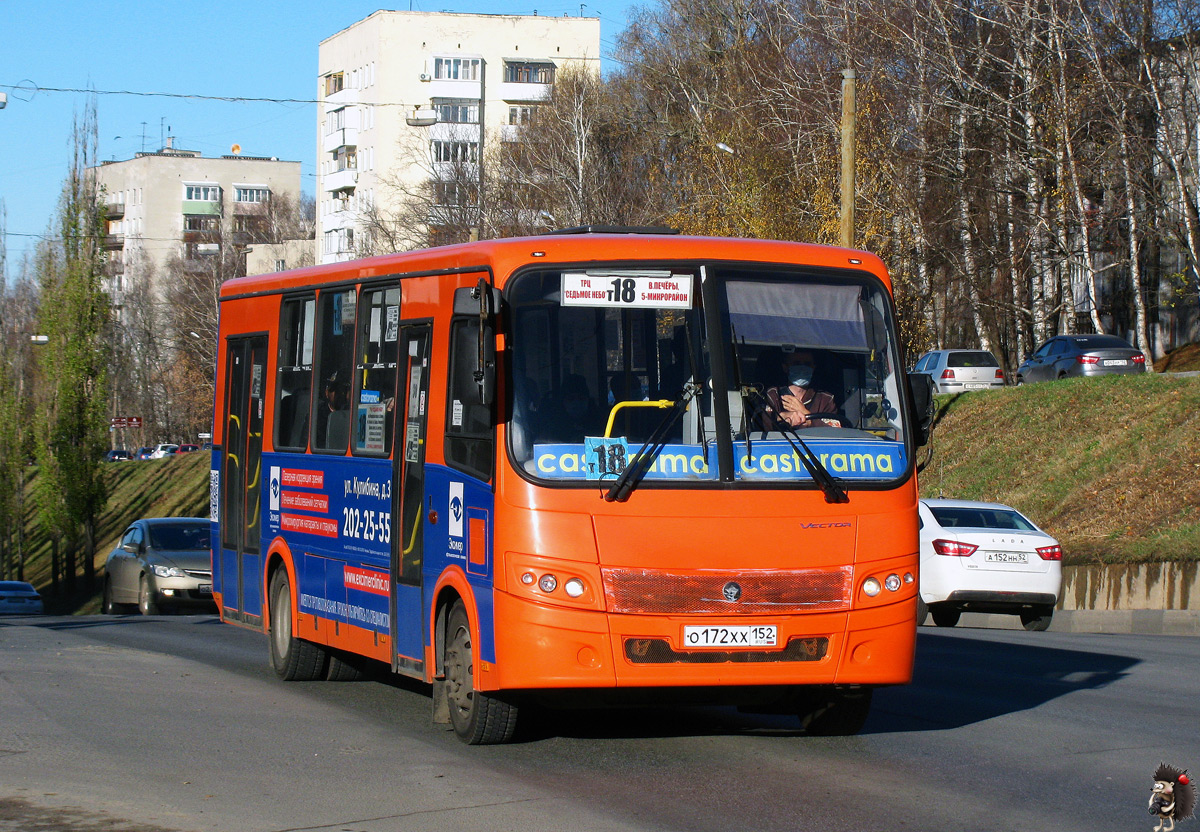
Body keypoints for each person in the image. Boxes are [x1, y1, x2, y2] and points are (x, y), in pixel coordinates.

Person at [762, 348, 841, 429]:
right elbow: (763, 424)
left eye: (807, 364)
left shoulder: (826, 399)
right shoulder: (773, 394)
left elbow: (835, 430)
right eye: (796, 364)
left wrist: (807, 416)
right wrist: (782, 417)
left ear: (813, 368)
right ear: (785, 367)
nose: (802, 368)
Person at [322, 371, 351, 449]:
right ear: (327, 393)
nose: (341, 394)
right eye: (335, 389)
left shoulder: (355, 415)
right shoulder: (315, 416)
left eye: (344, 390)